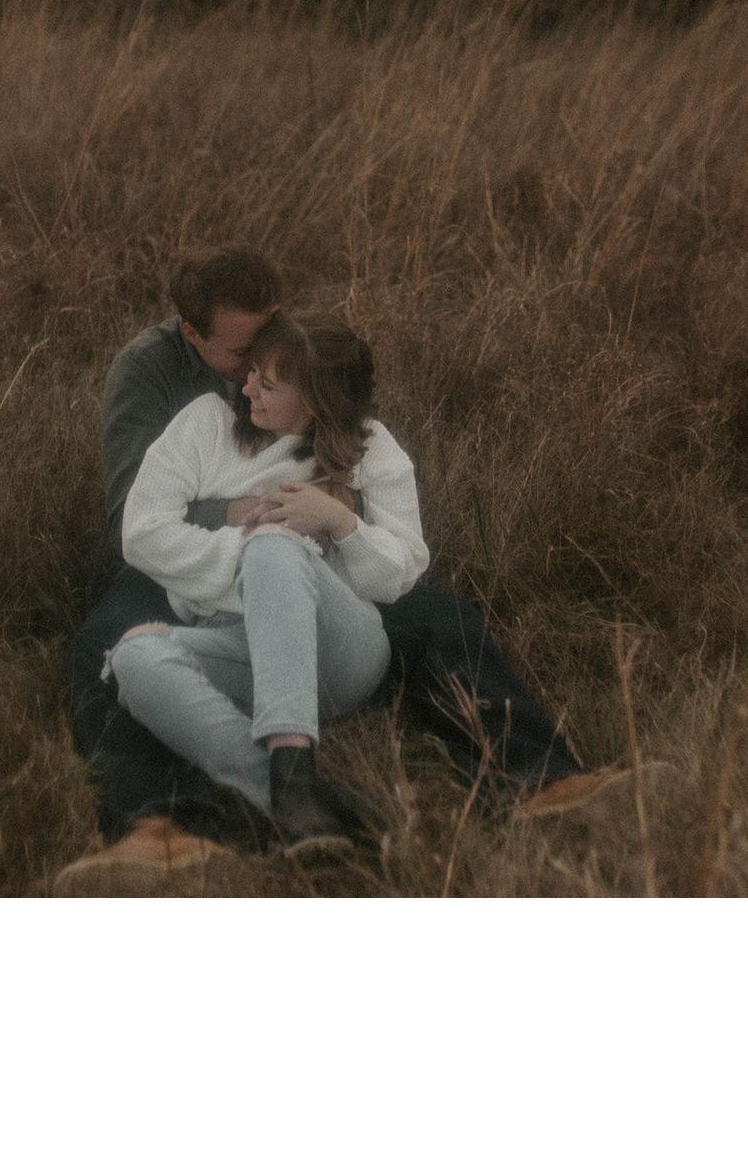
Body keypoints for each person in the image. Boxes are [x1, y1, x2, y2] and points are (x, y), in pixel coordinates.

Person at [54, 247, 623, 895]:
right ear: (195, 337)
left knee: (442, 619)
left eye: (269, 361)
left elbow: (398, 559)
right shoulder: (164, 386)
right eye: (246, 360)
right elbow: (136, 523)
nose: (249, 380)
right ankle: (178, 822)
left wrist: (337, 522)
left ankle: (539, 781)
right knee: (114, 647)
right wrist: (245, 524)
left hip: (334, 605)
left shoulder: (353, 425)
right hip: (202, 576)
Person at [111, 311, 424, 851]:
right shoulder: (205, 423)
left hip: (340, 650)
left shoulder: (372, 446)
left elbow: (402, 572)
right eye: (252, 370)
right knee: (132, 657)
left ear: (316, 401)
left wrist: (340, 523)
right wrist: (247, 550)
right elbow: (141, 534)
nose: (247, 387)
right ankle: (288, 794)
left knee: (275, 544)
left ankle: (290, 761)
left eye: (269, 384)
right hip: (240, 647)